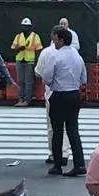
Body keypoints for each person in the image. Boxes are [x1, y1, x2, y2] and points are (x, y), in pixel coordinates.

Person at [40, 27, 87, 176]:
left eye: (55, 39)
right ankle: (79, 164)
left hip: (59, 95)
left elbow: (46, 77)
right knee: (73, 130)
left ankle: (58, 164)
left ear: (61, 40)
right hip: (74, 94)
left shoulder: (56, 56)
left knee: (57, 131)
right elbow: (84, 78)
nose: (54, 43)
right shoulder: (78, 56)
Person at [35, 26, 71, 166]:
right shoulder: (73, 53)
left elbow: (39, 73)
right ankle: (65, 153)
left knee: (53, 126)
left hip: (52, 93)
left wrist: (47, 78)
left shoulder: (47, 53)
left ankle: (53, 154)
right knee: (68, 126)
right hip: (70, 92)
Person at [11, 18, 43, 107]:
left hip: (30, 61)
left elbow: (38, 50)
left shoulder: (35, 36)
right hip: (20, 60)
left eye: (27, 26)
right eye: (23, 26)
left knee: (28, 81)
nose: (25, 28)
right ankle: (21, 99)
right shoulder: (18, 36)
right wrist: (19, 48)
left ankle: (27, 100)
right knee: (20, 81)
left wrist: (37, 63)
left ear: (30, 27)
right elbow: (13, 49)